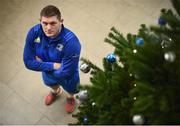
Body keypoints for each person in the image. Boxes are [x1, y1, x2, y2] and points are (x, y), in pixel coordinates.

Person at [23, 5, 81, 113]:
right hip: (48, 70)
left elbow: (67, 73)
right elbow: (28, 62)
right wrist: (54, 65)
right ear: (40, 21)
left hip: (68, 77)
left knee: (71, 90)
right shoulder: (34, 32)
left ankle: (70, 98)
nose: (48, 28)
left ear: (61, 21)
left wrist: (40, 63)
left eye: (53, 23)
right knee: (51, 84)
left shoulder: (71, 42)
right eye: (44, 23)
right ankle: (56, 92)